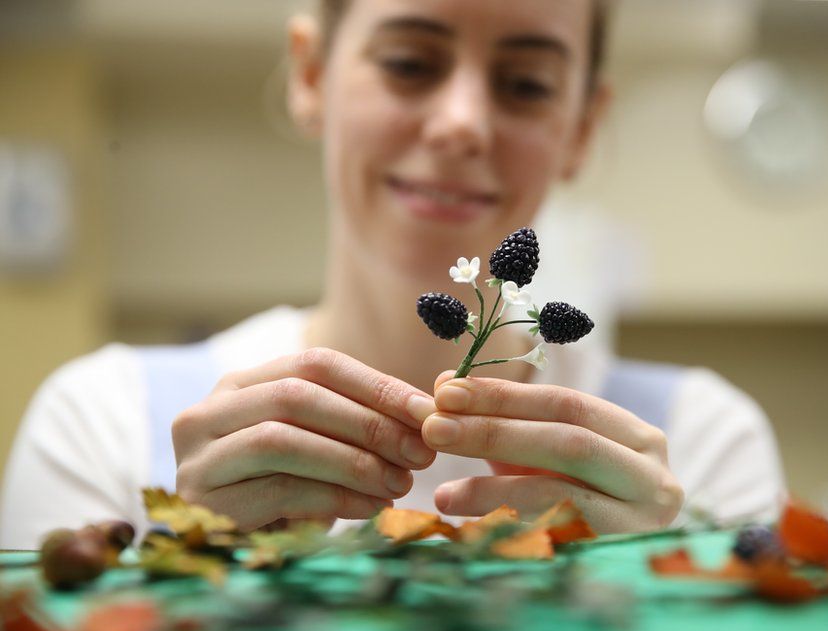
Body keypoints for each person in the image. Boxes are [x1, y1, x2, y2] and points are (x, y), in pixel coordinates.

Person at [0, 0, 785, 550]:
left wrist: (667, 585)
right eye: (411, 63)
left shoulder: (704, 447)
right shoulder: (103, 425)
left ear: (580, 126)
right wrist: (190, 564)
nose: (463, 122)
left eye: (525, 85)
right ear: (311, 75)